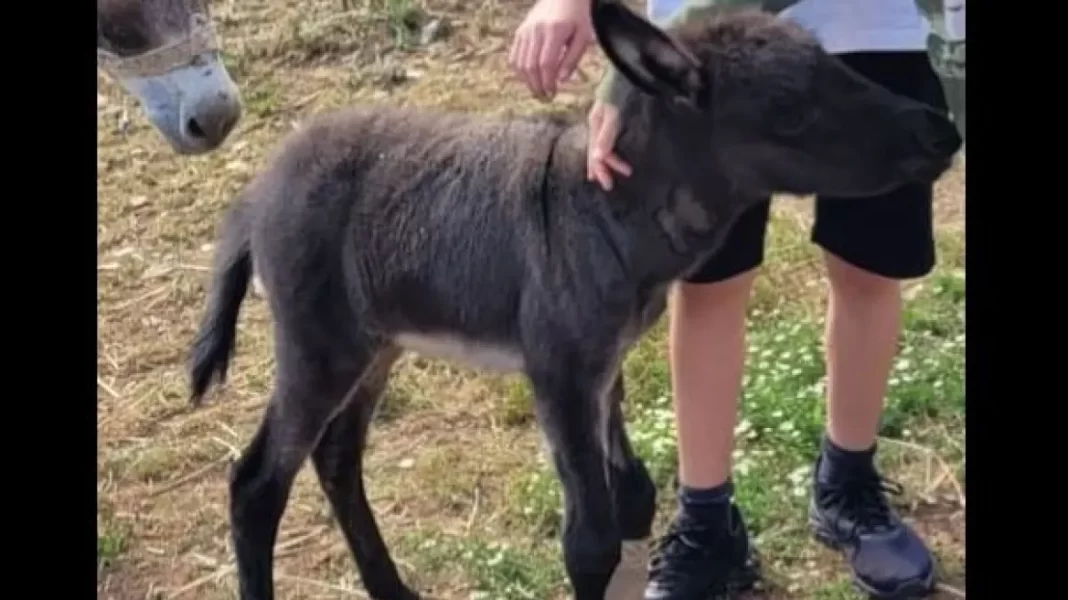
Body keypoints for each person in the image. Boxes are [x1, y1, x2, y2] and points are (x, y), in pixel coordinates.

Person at [509, 1, 965, 599]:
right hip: (712, 60)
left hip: (885, 32)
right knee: (709, 284)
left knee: (869, 269)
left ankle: (847, 485)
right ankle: (706, 520)